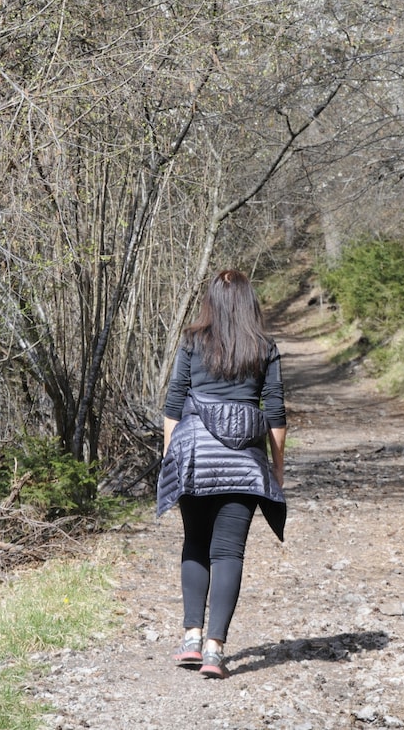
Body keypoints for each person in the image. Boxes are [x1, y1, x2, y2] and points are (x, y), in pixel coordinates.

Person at [157, 269, 287, 679]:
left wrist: (170, 459)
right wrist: (277, 470)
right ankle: (214, 650)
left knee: (195, 543)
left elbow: (175, 402)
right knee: (228, 552)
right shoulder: (264, 347)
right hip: (244, 462)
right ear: (250, 301)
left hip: (195, 454)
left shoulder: (194, 341)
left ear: (211, 301)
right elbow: (276, 410)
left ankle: (191, 638)